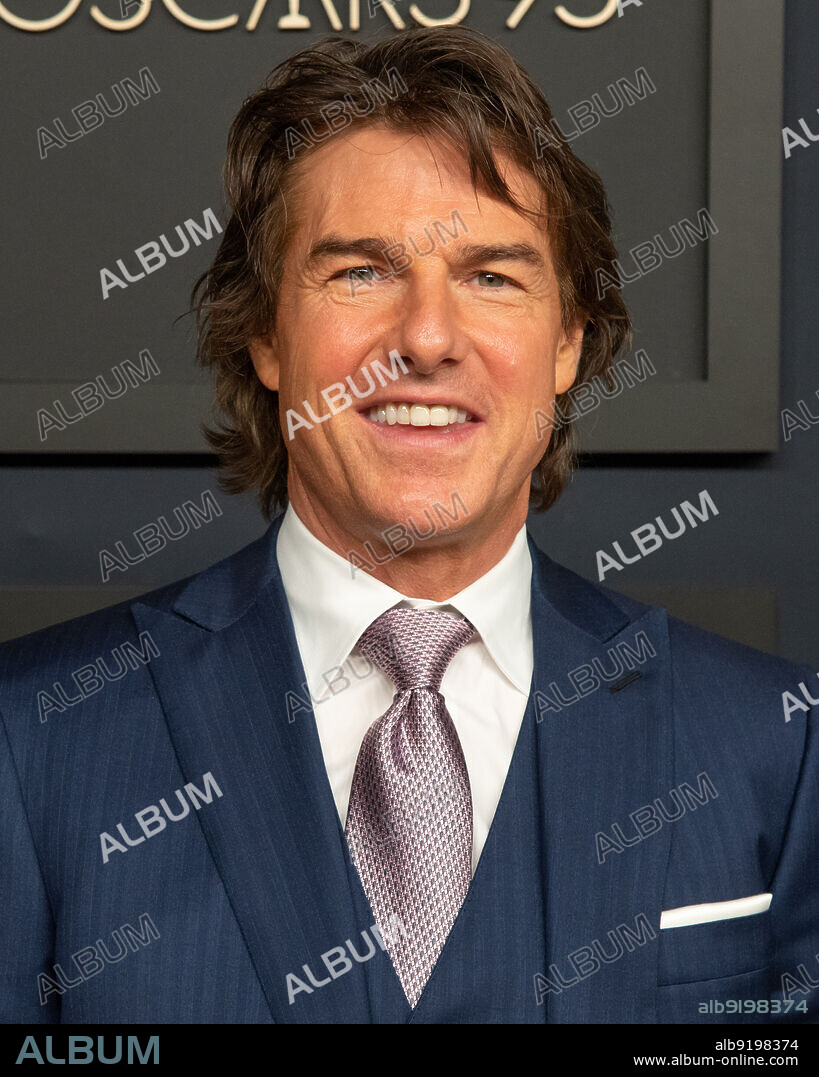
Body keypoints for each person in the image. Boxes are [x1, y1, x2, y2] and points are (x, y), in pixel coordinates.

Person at [1, 26, 816, 1025]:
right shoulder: (30, 742)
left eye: (493, 276)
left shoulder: (776, 742)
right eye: (360, 272)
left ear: (567, 341)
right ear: (263, 331)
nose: (426, 339)